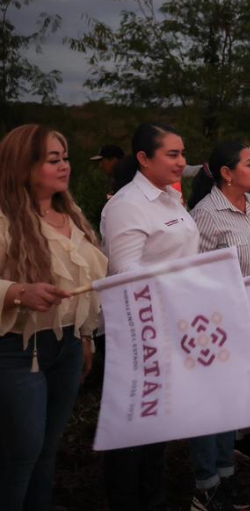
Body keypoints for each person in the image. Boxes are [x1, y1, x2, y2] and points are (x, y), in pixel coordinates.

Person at [0, 125, 106, 511]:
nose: (65, 167)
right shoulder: (4, 218)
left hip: (67, 346)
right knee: (21, 452)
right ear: (23, 166)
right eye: (53, 160)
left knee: (47, 449)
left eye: (66, 158)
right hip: (16, 350)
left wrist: (87, 337)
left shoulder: (71, 214)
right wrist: (17, 292)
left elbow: (89, 286)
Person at [101, 122, 199, 511]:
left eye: (182, 153)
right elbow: (125, 274)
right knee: (132, 435)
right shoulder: (127, 206)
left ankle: (154, 500)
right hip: (137, 332)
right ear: (143, 158)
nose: (182, 162)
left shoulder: (169, 198)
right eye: (172, 154)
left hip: (173, 325)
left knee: (157, 427)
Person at [187, 142, 250, 510]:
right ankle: (206, 486)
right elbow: (194, 275)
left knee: (233, 404)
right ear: (227, 172)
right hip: (217, 323)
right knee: (212, 405)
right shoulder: (204, 215)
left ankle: (226, 477)